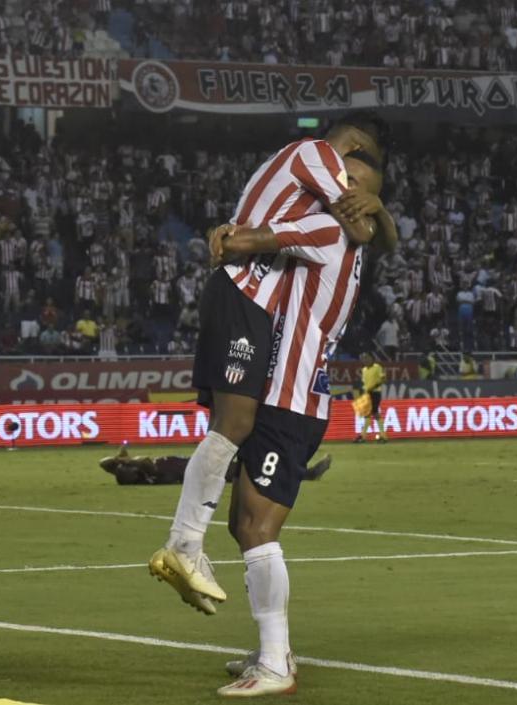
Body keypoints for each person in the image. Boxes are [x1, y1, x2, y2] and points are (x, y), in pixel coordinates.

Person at [148, 115, 397, 616]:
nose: (349, 189)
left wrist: (380, 211)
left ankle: (187, 547)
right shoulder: (316, 156)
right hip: (245, 296)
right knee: (235, 424)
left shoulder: (302, 184)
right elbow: (358, 228)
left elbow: (372, 234)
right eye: (354, 177)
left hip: (248, 305)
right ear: (349, 149)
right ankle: (184, 546)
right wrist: (369, 211)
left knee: (235, 436)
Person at [206, 156, 382, 696]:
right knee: (243, 524)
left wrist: (225, 233)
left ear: (360, 196)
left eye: (346, 179)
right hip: (286, 396)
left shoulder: (326, 227)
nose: (330, 180)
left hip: (290, 400)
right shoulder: (350, 236)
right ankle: (272, 648)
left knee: (258, 529)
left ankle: (277, 666)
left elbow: (237, 245)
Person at [99, 445, 332, 485]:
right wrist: (126, 460)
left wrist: (120, 461)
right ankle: (307, 474)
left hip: (204, 465)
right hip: (207, 471)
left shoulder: (143, 472)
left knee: (255, 467)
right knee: (255, 468)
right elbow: (144, 461)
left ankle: (303, 473)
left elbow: (104, 464)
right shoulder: (150, 472)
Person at [354, 351, 388, 443]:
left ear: (372, 358)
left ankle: (382, 436)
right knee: (368, 414)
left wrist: (374, 387)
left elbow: (383, 379)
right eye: (364, 358)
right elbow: (365, 383)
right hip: (367, 394)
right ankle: (364, 436)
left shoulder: (377, 367)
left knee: (375, 413)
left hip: (375, 393)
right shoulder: (364, 370)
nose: (365, 360)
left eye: (367, 358)